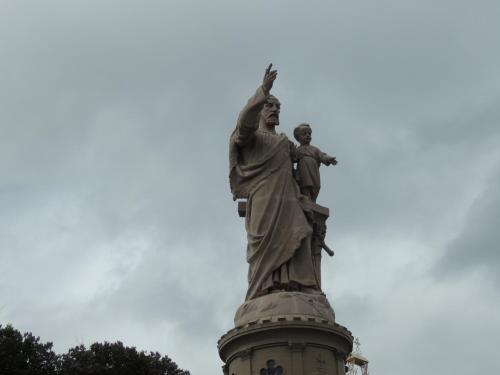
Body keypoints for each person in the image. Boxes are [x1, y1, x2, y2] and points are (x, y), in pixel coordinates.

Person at [229, 65, 320, 300]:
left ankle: (299, 284)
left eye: (278, 107)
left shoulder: (284, 141)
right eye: (269, 105)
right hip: (263, 200)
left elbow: (304, 159)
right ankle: (265, 288)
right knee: (264, 246)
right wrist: (263, 91)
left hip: (290, 199)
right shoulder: (251, 137)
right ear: (260, 109)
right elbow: (244, 123)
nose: (274, 110)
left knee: (302, 232)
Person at [293, 123, 337, 203]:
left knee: (316, 186)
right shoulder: (298, 150)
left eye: (309, 134)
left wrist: (329, 158)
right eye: (304, 134)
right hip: (303, 170)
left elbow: (322, 155)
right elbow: (292, 158)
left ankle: (313, 201)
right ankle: (307, 199)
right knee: (305, 184)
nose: (308, 135)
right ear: (298, 137)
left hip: (314, 170)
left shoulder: (315, 149)